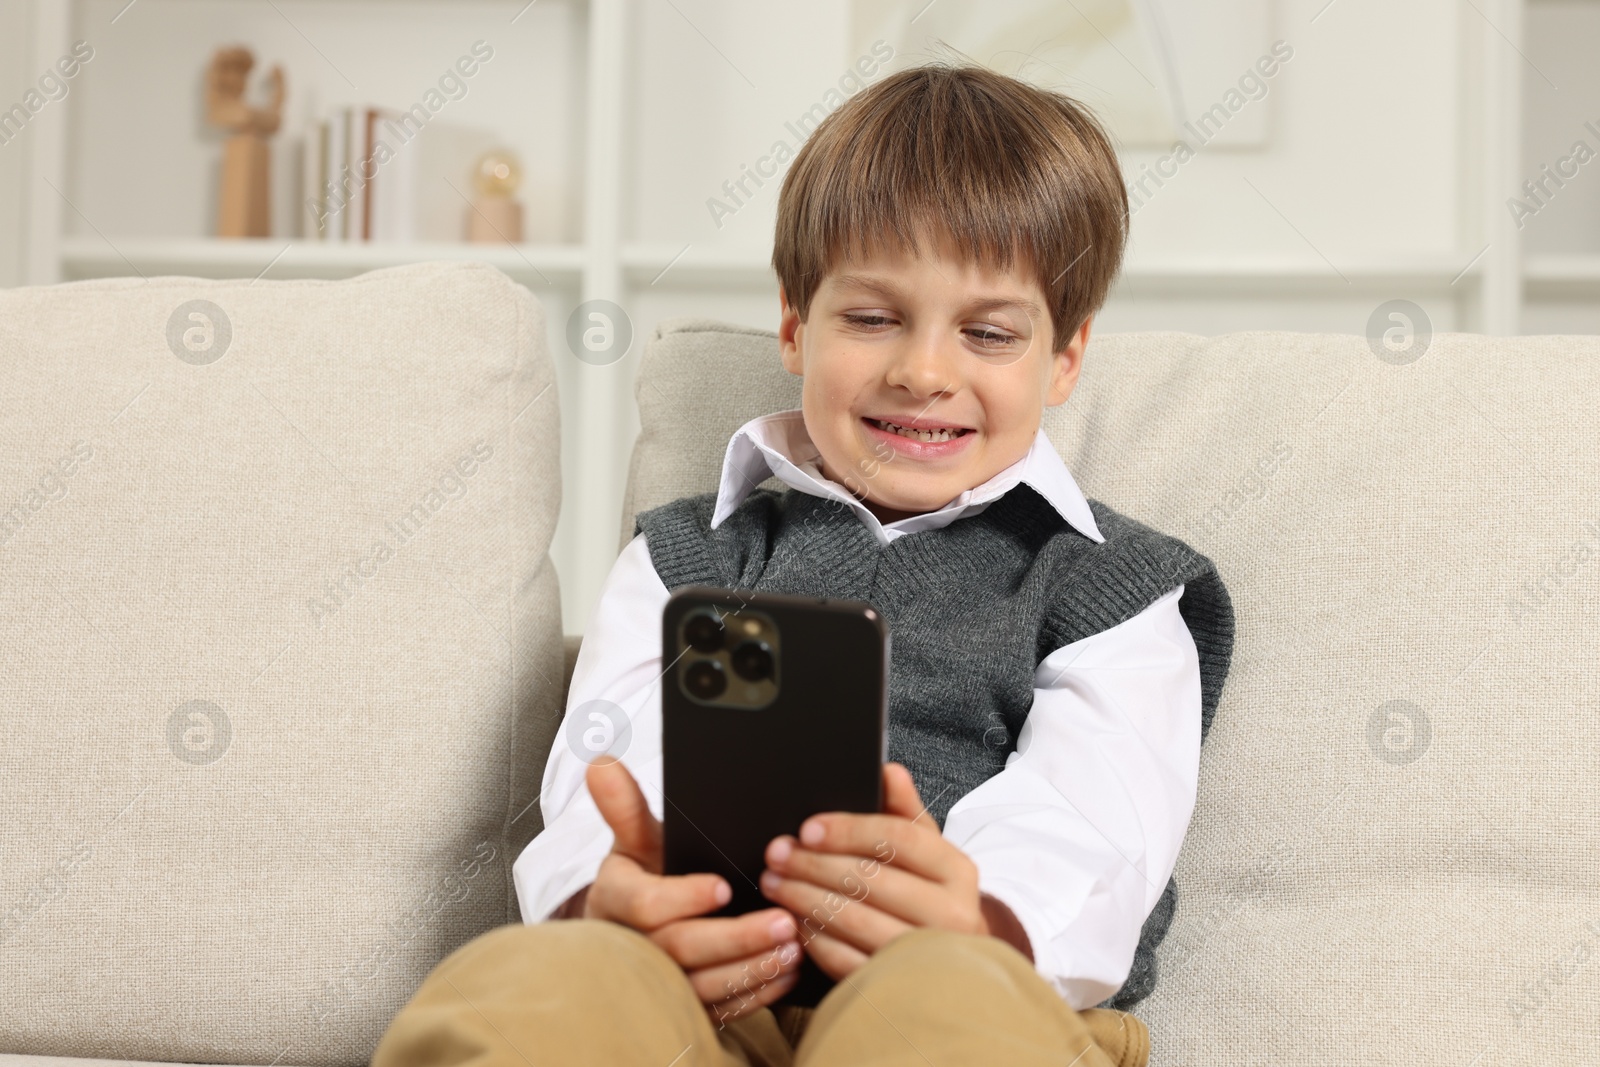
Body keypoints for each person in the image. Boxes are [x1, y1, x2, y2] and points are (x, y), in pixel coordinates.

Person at [372, 61, 1234, 1067]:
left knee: (946, 1003)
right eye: (871, 318)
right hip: (691, 996)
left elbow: (1096, 830)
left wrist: (975, 920)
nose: (922, 370)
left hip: (970, 990)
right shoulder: (685, 556)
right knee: (529, 985)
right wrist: (618, 900)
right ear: (795, 322)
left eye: (988, 332)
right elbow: (602, 779)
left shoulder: (1114, 589)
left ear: (1064, 359)